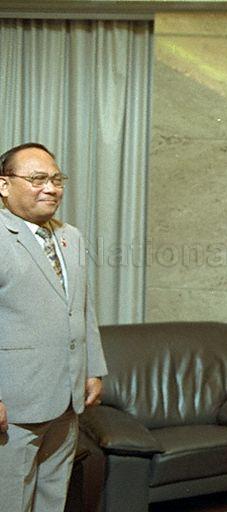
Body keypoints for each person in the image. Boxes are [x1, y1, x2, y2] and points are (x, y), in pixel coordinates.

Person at [0, 142, 107, 512]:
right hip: (14, 407)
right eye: (37, 179)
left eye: (56, 179)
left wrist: (93, 368)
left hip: (66, 401)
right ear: (4, 185)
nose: (51, 188)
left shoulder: (70, 236)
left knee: (53, 500)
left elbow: (82, 308)